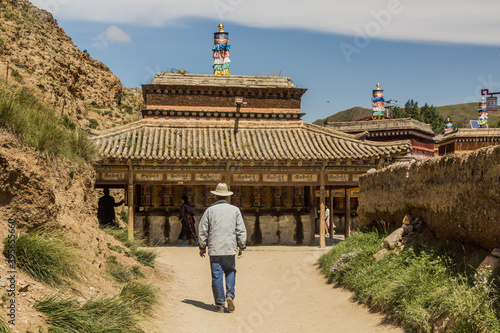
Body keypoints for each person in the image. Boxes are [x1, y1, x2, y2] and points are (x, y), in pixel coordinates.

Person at [198, 183, 247, 313]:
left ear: (215, 197)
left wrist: (202, 246)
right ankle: (230, 295)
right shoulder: (235, 210)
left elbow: (203, 230)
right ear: (227, 197)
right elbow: (241, 230)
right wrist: (241, 245)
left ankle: (220, 305)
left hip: (215, 249)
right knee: (230, 271)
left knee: (217, 276)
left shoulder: (209, 211)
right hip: (230, 248)